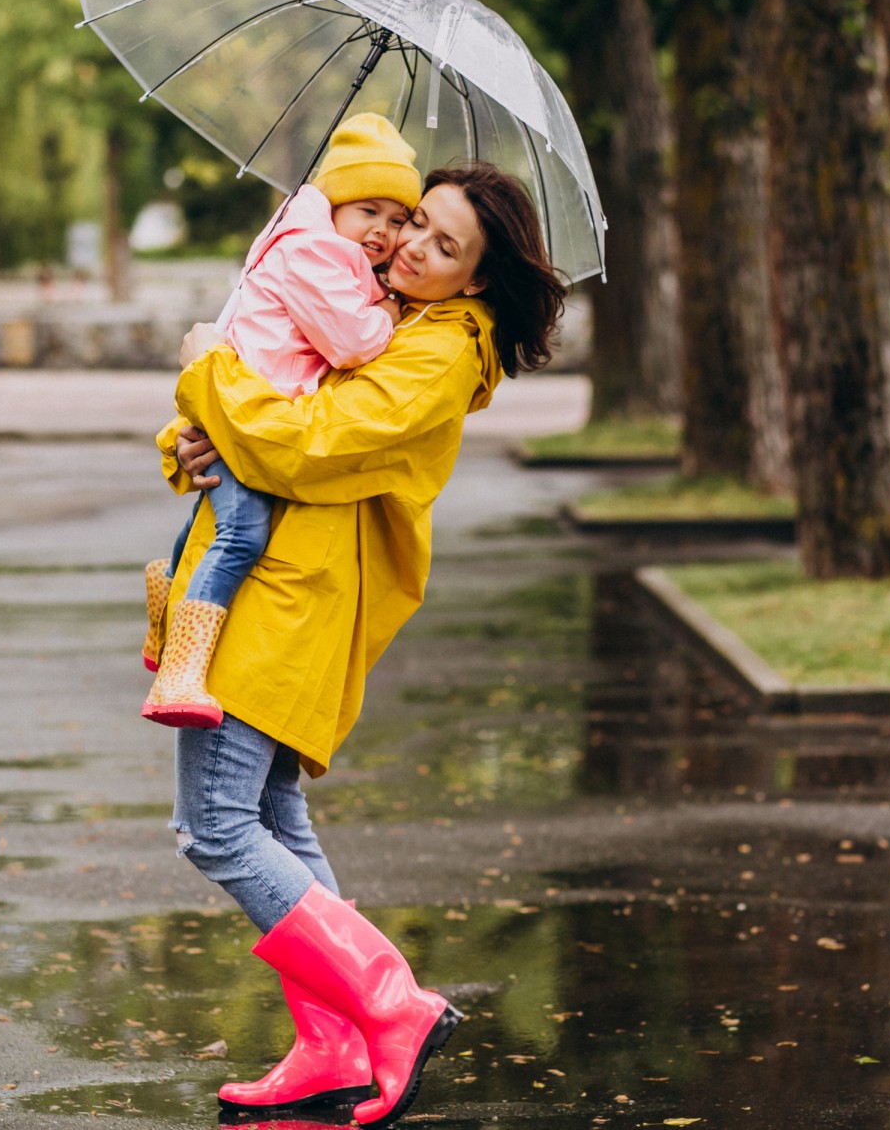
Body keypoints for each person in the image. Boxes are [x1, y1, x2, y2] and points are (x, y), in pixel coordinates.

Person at [154, 161, 566, 1127]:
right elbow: (272, 404)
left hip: (289, 596)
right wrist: (192, 440)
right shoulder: (384, 309)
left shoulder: (441, 351)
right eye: (415, 221)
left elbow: (310, 443)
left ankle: (391, 1000)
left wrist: (207, 370)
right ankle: (332, 1043)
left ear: (478, 278)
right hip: (279, 577)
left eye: (444, 245)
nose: (410, 245)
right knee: (273, 812)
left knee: (216, 823)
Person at [140, 112, 419, 729]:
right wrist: (389, 314)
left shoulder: (314, 246)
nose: (383, 229)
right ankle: (181, 670)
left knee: (212, 520)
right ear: (334, 204)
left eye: (399, 218)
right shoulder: (313, 252)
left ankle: (167, 598)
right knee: (243, 534)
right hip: (248, 413)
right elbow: (351, 341)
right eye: (368, 210)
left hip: (245, 405)